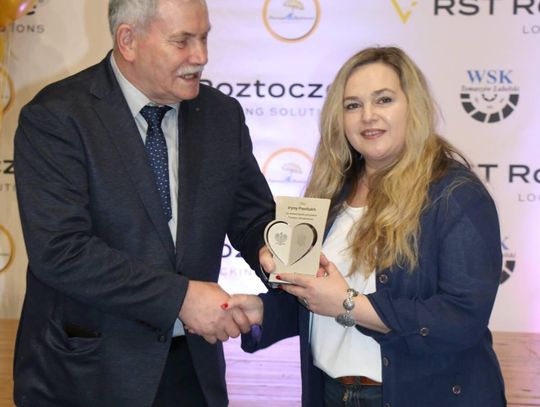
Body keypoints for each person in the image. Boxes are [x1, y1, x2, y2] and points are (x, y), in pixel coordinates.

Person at [13, 0, 274, 406]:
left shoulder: (221, 115)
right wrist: (181, 298)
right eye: (182, 41)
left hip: (192, 370)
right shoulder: (57, 117)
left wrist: (278, 252)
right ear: (128, 41)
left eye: (204, 38)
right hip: (88, 375)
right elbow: (61, 251)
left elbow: (253, 216)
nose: (201, 56)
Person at [227, 46, 506, 406]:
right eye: (353, 105)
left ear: (413, 106)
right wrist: (264, 311)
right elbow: (318, 301)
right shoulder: (329, 191)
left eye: (384, 99)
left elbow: (462, 318)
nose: (368, 116)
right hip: (333, 393)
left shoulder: (456, 194)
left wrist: (349, 304)